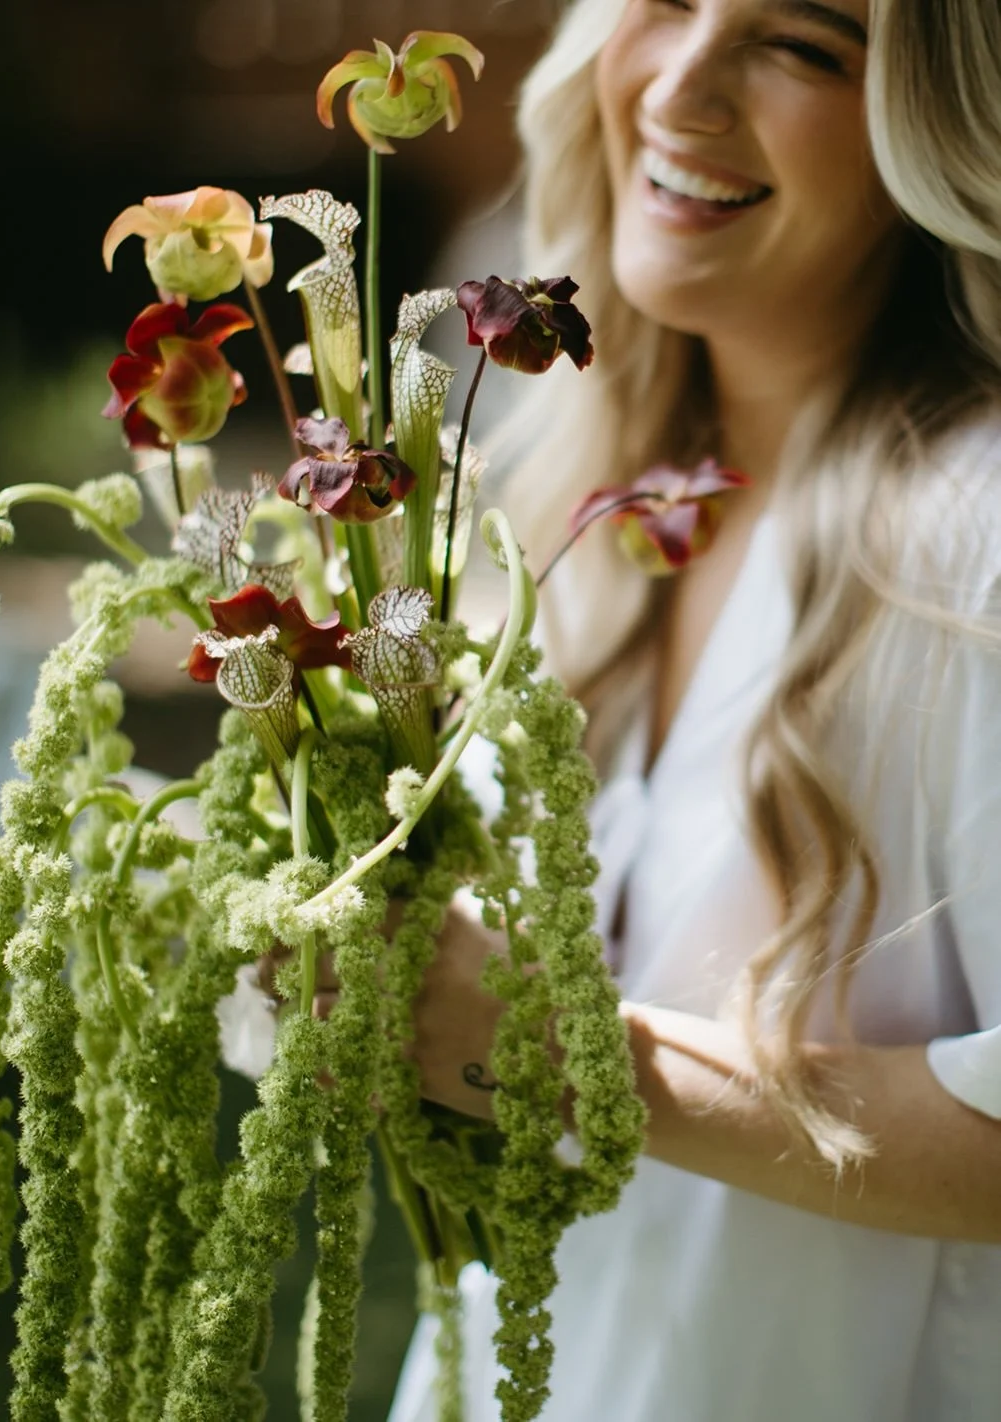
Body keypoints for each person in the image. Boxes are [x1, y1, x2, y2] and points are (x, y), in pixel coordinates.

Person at [383, 0, 1001, 1418]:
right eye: (666, 0)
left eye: (802, 44)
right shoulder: (578, 496)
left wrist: (558, 1055)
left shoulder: (972, 540)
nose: (682, 90)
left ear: (930, 125)